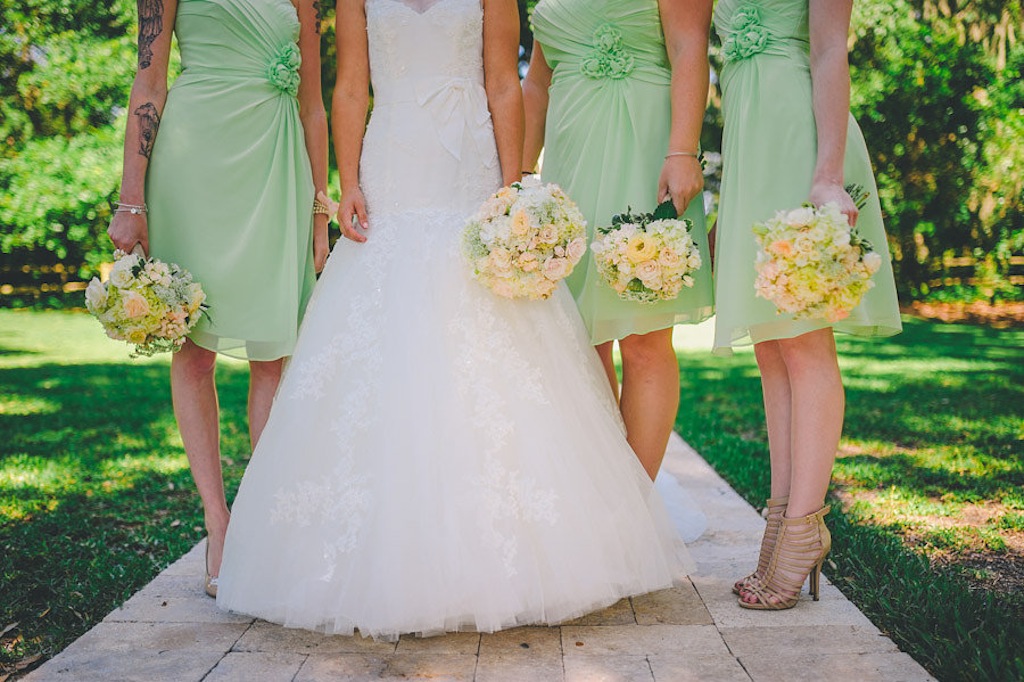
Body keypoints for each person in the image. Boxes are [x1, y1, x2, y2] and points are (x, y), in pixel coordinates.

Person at [215, 0, 691, 639]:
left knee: (493, 321)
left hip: (470, 162)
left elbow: (503, 82)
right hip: (393, 159)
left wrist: (514, 187)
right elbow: (351, 84)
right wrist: (347, 179)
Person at [106, 0, 330, 597]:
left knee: (273, 351)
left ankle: (269, 524)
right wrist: (132, 198)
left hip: (278, 162)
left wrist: (318, 211)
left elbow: (313, 103)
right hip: (196, 158)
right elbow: (149, 78)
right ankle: (218, 521)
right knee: (195, 345)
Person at [712, 0, 902, 609]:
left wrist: (827, 174)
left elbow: (828, 50)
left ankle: (801, 531)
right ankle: (783, 522)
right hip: (752, 140)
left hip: (799, 136)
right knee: (771, 347)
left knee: (802, 340)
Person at [523, 0, 716, 481]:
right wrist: (521, 179)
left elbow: (689, 46)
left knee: (644, 335)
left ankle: (636, 504)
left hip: (645, 146)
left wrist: (682, 151)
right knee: (576, 336)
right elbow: (537, 83)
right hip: (568, 161)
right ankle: (607, 496)